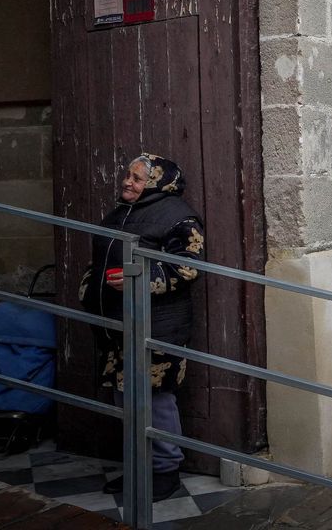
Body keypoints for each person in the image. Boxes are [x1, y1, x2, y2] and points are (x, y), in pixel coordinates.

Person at [79, 153, 206, 501]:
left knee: (155, 401)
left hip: (157, 327)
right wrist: (88, 287)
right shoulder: (122, 212)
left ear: (156, 182)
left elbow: (188, 267)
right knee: (125, 398)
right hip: (120, 326)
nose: (127, 182)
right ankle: (139, 468)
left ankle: (165, 472)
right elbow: (101, 258)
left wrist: (141, 280)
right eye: (128, 175)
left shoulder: (178, 216)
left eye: (136, 178)